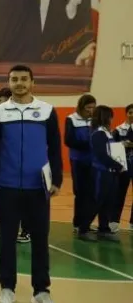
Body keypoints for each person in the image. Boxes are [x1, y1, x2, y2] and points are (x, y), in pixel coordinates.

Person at [0, 64, 62, 303]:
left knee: (40, 240)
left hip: (38, 188)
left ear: (32, 82)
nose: (19, 83)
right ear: (9, 83)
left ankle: (41, 291)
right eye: (14, 79)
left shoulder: (47, 111)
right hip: (7, 187)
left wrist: (57, 180)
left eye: (23, 79)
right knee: (7, 240)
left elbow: (55, 147)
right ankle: (7, 289)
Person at [84, 105, 125, 242]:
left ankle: (103, 228)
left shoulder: (107, 132)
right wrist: (118, 165)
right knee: (97, 201)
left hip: (110, 172)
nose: (112, 119)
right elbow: (102, 155)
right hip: (100, 173)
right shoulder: (99, 133)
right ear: (106, 117)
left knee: (108, 201)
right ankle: (83, 229)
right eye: (110, 116)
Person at [64, 94, 96, 237]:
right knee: (80, 193)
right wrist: (88, 145)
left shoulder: (95, 120)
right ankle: (78, 224)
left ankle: (86, 224)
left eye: (93, 107)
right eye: (88, 107)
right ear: (81, 107)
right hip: (78, 160)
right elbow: (68, 140)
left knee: (91, 193)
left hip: (93, 161)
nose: (91, 110)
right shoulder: (71, 119)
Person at [111, 104, 133, 230]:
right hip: (123, 167)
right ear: (126, 114)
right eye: (130, 112)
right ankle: (114, 221)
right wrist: (122, 144)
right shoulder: (118, 130)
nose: (132, 115)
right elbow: (112, 148)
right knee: (119, 194)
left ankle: (132, 223)